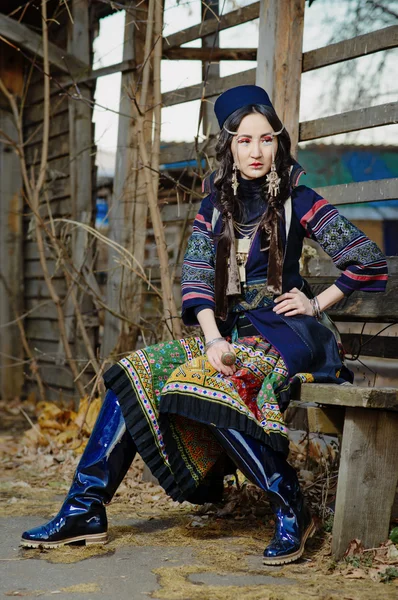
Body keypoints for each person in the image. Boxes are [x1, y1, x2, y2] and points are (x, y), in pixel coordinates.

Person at [21, 85, 388, 565]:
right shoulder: (214, 206)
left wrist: (316, 303)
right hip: (230, 334)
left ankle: (291, 507)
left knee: (216, 382)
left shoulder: (301, 198)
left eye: (266, 139)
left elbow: (366, 260)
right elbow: (196, 281)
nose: (256, 151)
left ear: (279, 142)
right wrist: (213, 338)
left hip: (286, 334)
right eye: (244, 140)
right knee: (133, 372)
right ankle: (84, 509)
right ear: (229, 147)